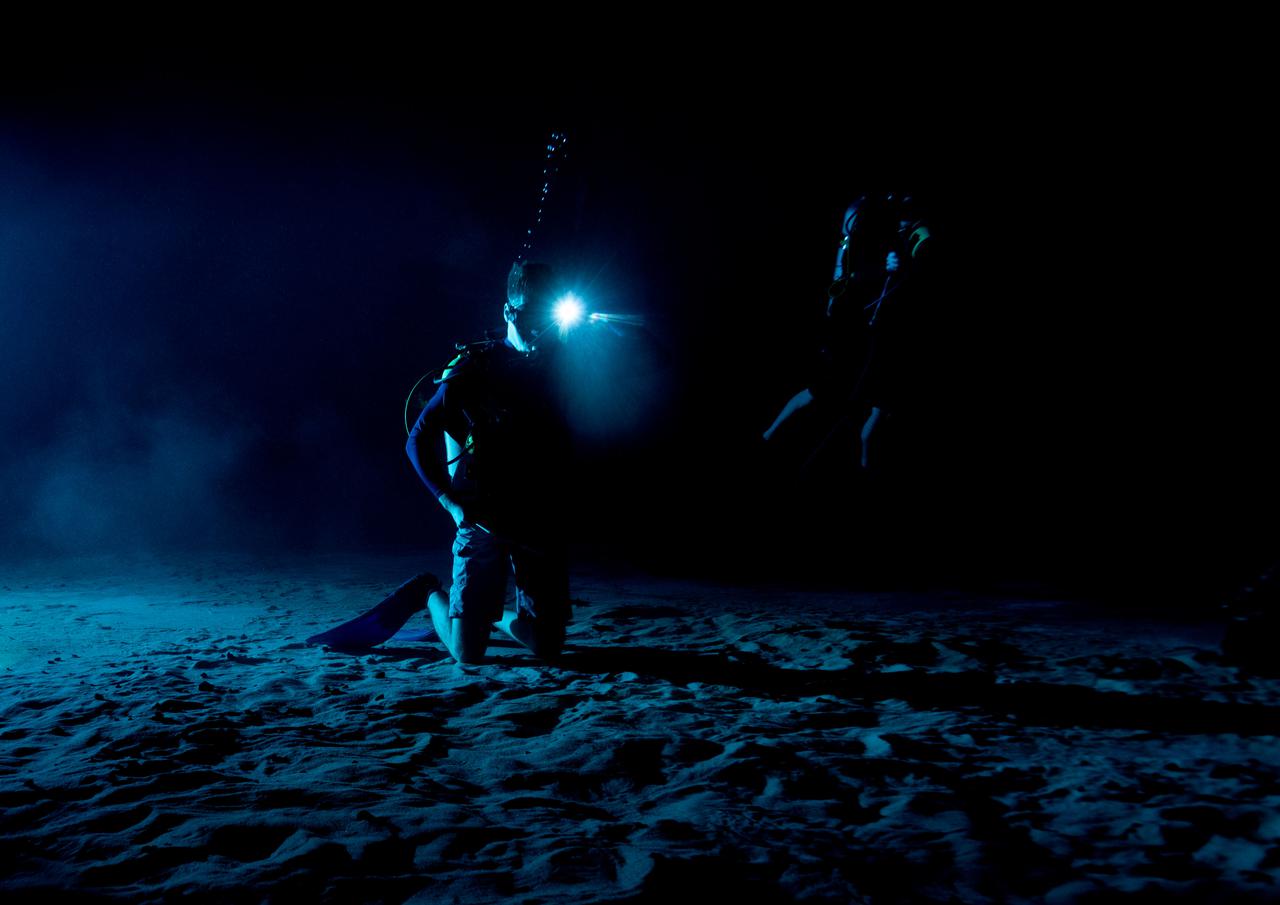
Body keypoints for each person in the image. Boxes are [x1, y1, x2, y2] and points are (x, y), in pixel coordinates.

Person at [405, 262, 573, 665]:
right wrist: (449, 502)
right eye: (531, 314)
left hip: (533, 519)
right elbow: (417, 441)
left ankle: (487, 618)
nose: (541, 328)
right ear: (509, 312)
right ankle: (429, 591)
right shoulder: (472, 370)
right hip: (481, 521)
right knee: (468, 655)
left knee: (548, 646)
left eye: (548, 315)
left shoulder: (555, 366)